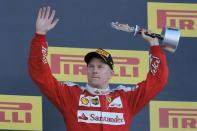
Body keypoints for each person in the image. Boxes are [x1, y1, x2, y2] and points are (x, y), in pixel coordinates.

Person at [28, 6, 168, 131]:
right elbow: (40, 75)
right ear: (86, 70)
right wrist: (40, 36)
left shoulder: (125, 98)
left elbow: (157, 81)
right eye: (91, 66)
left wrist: (154, 45)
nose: (95, 70)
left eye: (101, 67)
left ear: (111, 73)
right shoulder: (70, 95)